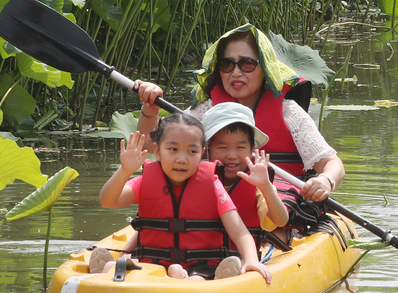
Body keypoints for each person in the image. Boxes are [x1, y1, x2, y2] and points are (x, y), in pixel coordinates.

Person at [133, 26, 345, 227]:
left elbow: (332, 163)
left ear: (265, 69)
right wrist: (150, 110)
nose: (235, 72)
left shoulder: (288, 112)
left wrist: (326, 180)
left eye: (247, 64)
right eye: (227, 64)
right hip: (217, 196)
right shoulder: (206, 111)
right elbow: (150, 146)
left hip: (278, 202)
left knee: (272, 217)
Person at [94, 112, 272, 283]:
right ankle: (111, 269)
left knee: (196, 279)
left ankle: (190, 278)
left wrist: (251, 260)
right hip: (152, 263)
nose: (182, 159)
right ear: (156, 150)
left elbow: (240, 232)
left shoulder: (213, 185)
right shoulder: (144, 181)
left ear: (202, 153)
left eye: (191, 152)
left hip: (201, 266)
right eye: (173, 149)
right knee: (128, 268)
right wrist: (124, 171)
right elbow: (108, 201)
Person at [201, 102, 291, 252]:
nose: (231, 155)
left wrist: (266, 187)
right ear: (206, 150)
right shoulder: (192, 177)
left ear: (252, 150)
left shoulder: (257, 185)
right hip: (201, 258)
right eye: (222, 147)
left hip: (243, 256)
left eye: (240, 147)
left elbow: (281, 220)